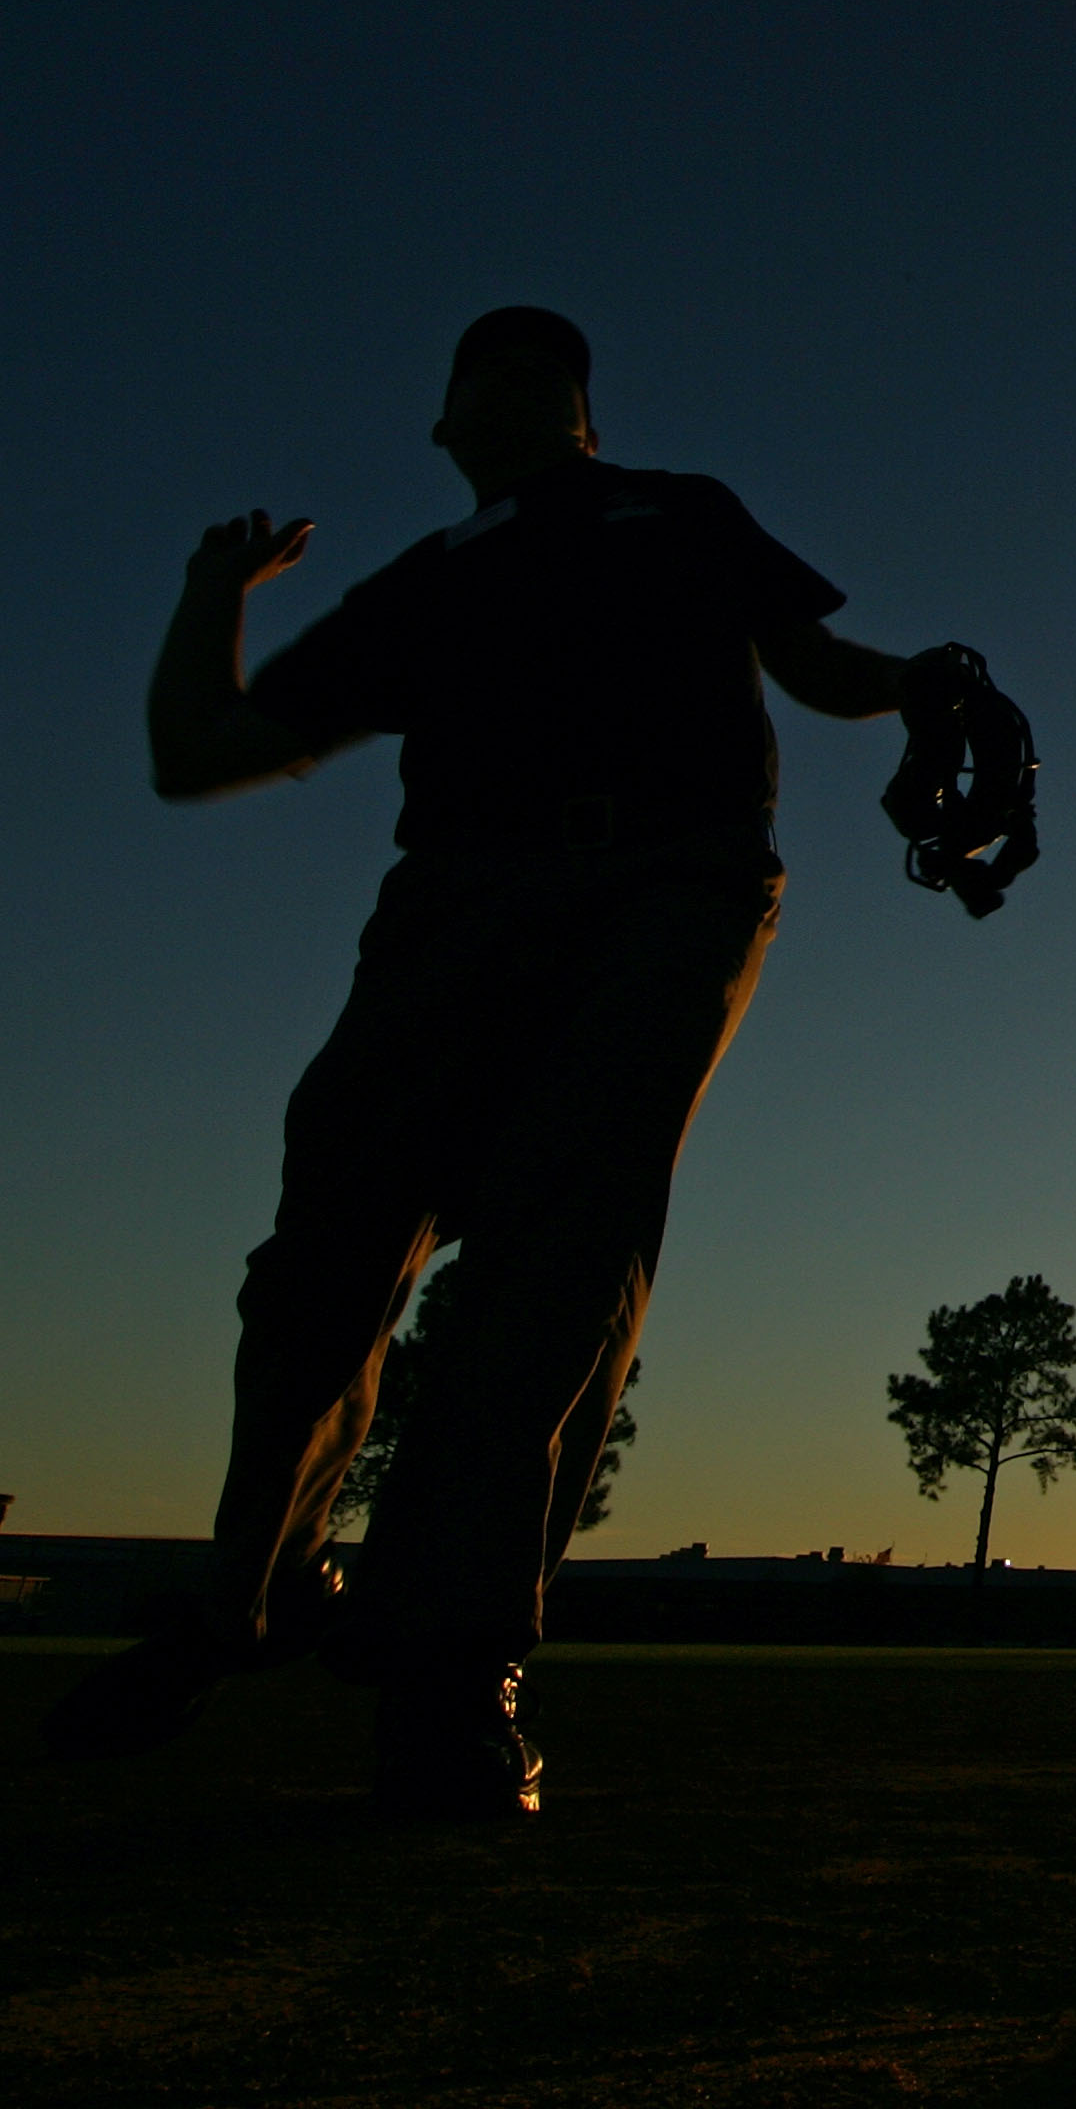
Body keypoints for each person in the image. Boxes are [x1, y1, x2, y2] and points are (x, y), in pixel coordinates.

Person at [42, 308, 991, 1816]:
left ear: (584, 413)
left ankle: (453, 1660)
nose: (512, 373)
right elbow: (197, 748)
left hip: (671, 887)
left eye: (541, 362)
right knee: (322, 1260)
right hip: (458, 904)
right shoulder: (429, 583)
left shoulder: (681, 512)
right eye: (481, 362)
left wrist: (919, 682)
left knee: (557, 1262)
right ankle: (253, 1595)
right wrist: (205, 592)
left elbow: (812, 664)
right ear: (444, 425)